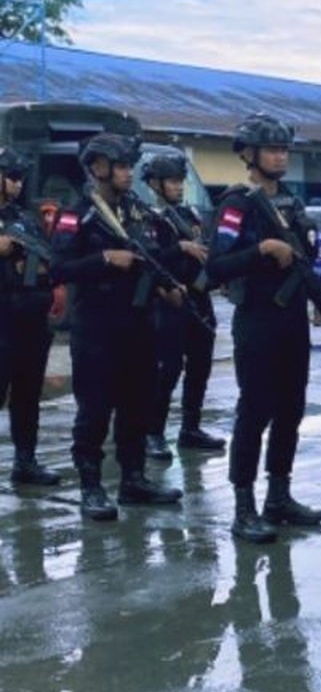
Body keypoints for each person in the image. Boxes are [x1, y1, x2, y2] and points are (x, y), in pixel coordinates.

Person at [50, 133, 184, 521]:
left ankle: (134, 479)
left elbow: (153, 256)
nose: (128, 173)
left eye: (129, 166)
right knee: (94, 411)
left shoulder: (137, 213)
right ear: (97, 168)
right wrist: (104, 259)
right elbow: (59, 268)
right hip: (96, 328)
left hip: (139, 324)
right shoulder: (78, 214)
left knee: (136, 406)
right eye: (121, 166)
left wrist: (167, 286)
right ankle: (91, 486)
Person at [207, 113, 321, 544]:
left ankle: (280, 494)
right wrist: (260, 249)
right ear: (249, 155)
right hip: (257, 318)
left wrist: (317, 302)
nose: (280, 156)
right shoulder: (236, 205)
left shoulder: (291, 202)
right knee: (255, 410)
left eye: (284, 150)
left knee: (291, 410)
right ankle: (244, 506)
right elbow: (216, 264)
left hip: (292, 319)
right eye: (272, 149)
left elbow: (305, 257)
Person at [142, 153, 224, 460]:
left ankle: (191, 427)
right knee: (168, 369)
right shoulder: (149, 218)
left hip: (198, 298)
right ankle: (153, 431)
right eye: (173, 181)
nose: (179, 187)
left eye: (180, 181)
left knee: (200, 366)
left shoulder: (188, 215)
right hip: (168, 300)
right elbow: (148, 258)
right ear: (155, 184)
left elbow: (206, 248)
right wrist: (179, 246)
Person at [0, 148, 60, 486]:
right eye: (11, 177)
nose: (16, 185)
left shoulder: (23, 218)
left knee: (26, 395)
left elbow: (48, 257)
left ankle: (26, 461)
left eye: (20, 178)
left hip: (30, 320)